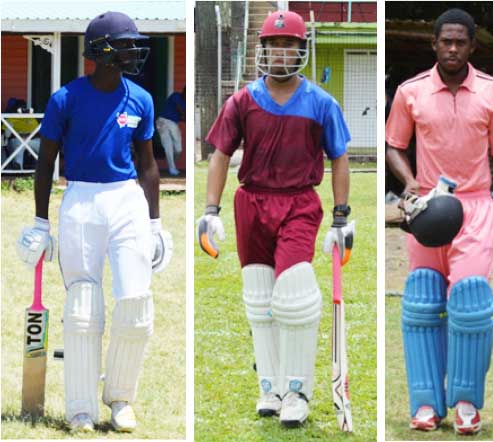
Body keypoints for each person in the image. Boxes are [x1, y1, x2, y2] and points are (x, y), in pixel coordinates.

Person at [15, 11, 172, 433]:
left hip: (126, 200)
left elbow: (148, 165)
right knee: (83, 308)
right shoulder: (65, 98)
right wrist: (39, 221)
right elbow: (45, 163)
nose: (135, 50)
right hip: (81, 199)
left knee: (136, 301)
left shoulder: (141, 98)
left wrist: (155, 224)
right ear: (102, 51)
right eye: (126, 44)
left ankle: (120, 399)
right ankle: (80, 407)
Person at [196, 10, 353, 428]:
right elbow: (220, 155)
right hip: (251, 203)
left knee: (295, 294)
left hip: (299, 202)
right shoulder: (243, 100)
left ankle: (297, 391)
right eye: (274, 45)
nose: (281, 52)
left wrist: (341, 217)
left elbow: (339, 158)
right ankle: (270, 386)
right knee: (260, 299)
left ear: (301, 50)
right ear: (263, 51)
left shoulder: (321, 102)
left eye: (289, 45)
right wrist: (210, 210)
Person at [385, 8, 493, 435]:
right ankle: (427, 404)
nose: (452, 48)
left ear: (471, 46)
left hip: (473, 209)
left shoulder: (491, 91)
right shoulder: (412, 91)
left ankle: (466, 403)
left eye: (460, 42)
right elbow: (395, 145)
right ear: (434, 45)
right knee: (423, 303)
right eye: (445, 41)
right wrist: (410, 181)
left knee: (469, 303)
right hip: (429, 210)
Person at [156, 86, 185, 176]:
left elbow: (183, 116)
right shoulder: (176, 96)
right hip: (163, 121)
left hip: (173, 123)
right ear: (183, 91)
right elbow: (181, 111)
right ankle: (172, 168)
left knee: (178, 149)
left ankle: (172, 165)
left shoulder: (186, 102)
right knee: (168, 146)